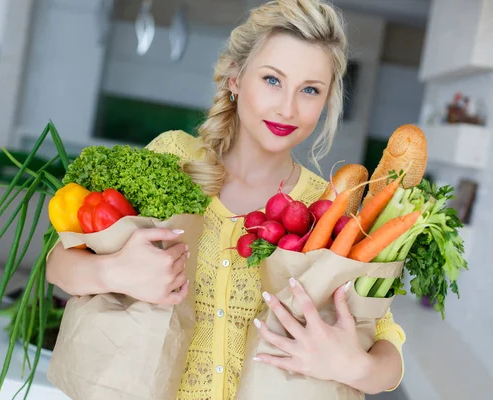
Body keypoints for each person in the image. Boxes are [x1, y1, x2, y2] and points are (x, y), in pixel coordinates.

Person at [46, 0, 405, 399]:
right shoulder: (171, 159)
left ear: (326, 101)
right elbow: (59, 265)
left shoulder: (328, 210)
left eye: (309, 90)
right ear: (235, 78)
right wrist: (111, 272)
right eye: (272, 80)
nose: (287, 108)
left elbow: (384, 338)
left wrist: (355, 366)